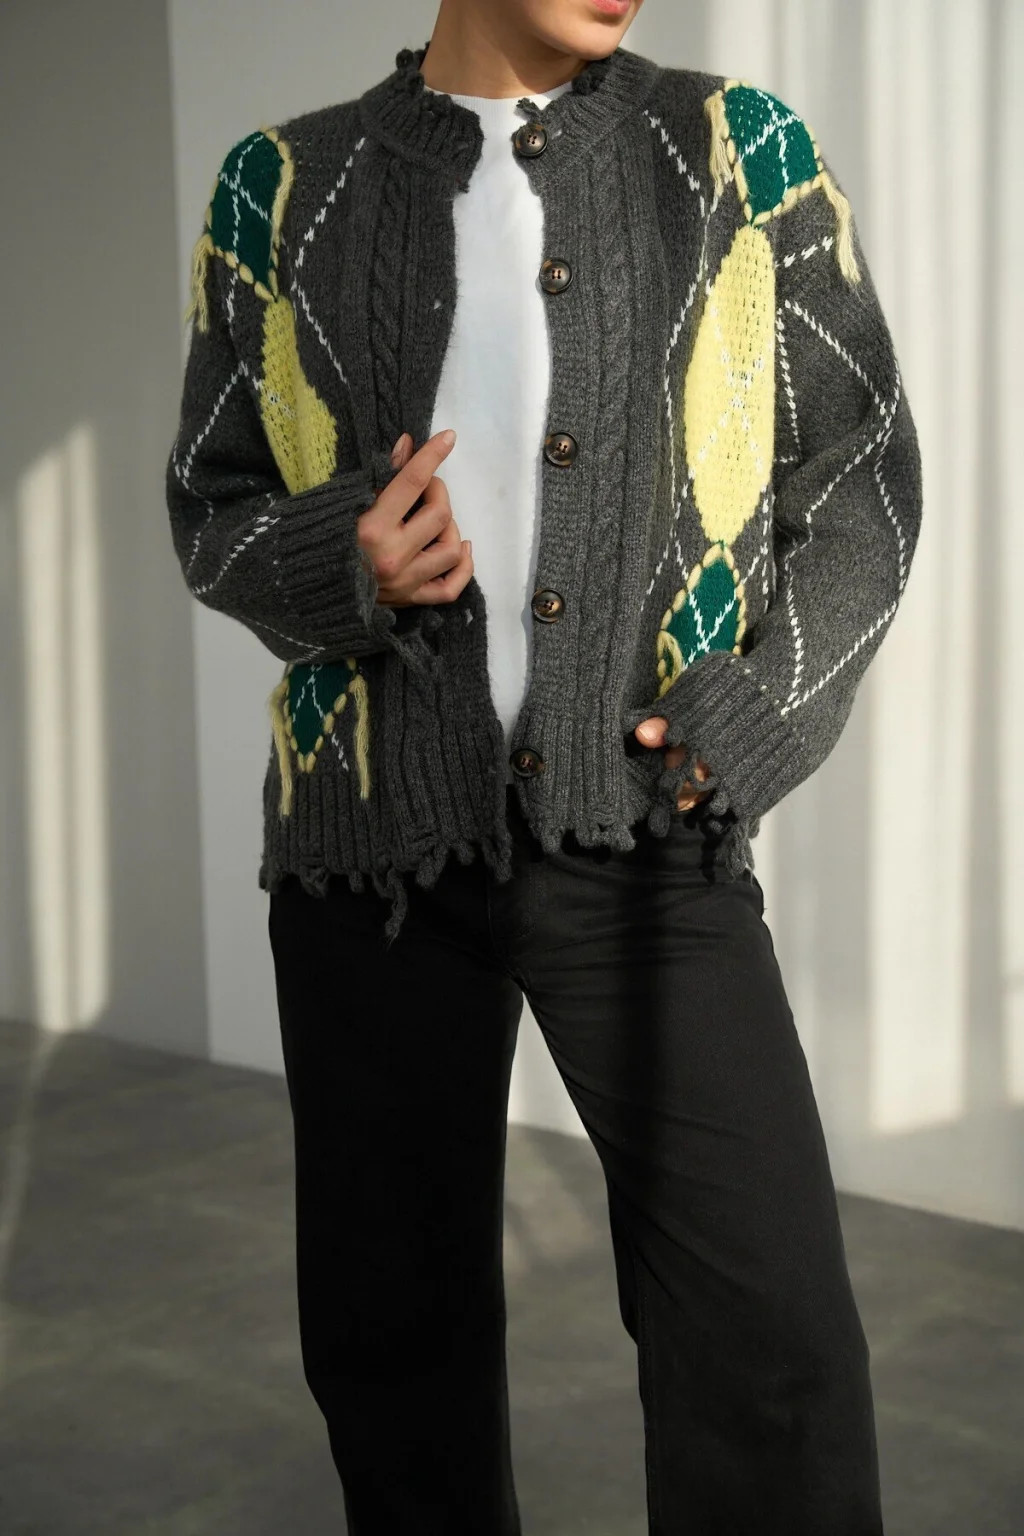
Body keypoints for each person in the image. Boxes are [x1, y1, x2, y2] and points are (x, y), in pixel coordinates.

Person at [165, 0, 922, 1530]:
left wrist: (756, 711)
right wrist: (342, 556)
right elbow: (211, 500)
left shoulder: (732, 154)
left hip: (647, 834)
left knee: (771, 1350)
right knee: (394, 1348)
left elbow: (864, 475)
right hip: (370, 853)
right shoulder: (279, 189)